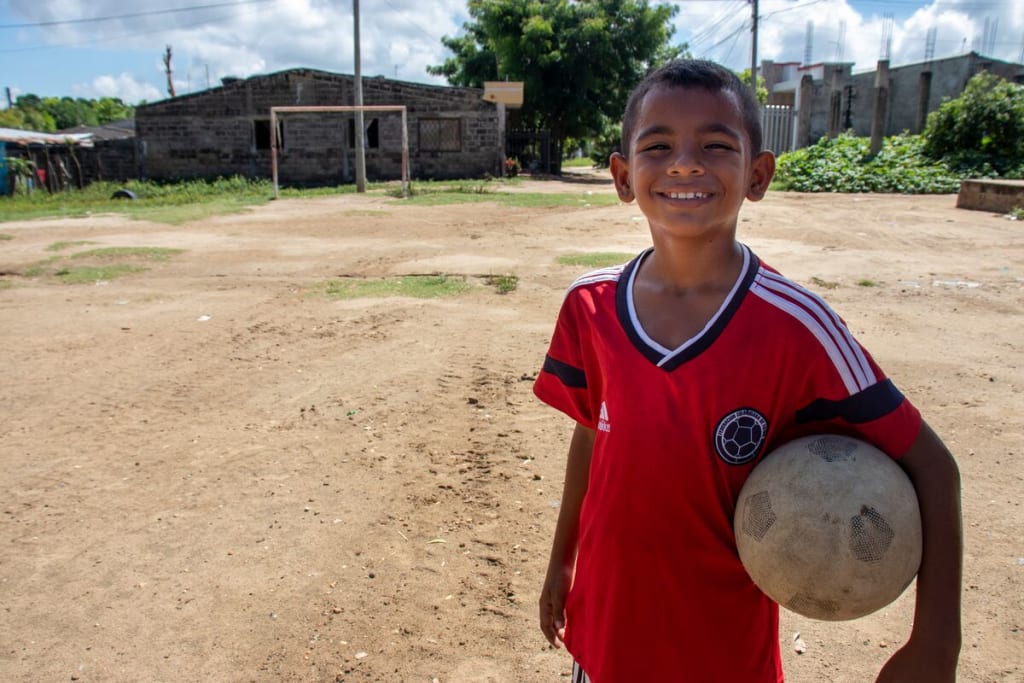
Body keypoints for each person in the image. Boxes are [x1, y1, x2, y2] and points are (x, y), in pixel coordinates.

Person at [533, 59, 962, 683]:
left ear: (757, 174)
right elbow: (594, 431)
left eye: (715, 144)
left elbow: (934, 466)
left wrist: (935, 645)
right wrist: (561, 561)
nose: (684, 163)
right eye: (658, 146)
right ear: (624, 177)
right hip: (604, 642)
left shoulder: (799, 327)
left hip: (724, 656)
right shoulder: (590, 305)